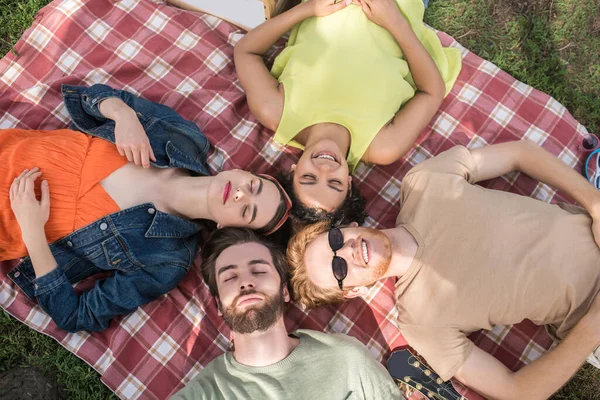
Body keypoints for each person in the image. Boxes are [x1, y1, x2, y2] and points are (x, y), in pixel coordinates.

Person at [287, 139, 600, 399]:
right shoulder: (421, 324)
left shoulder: (423, 182)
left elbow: (520, 153)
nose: (347, 250)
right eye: (339, 266)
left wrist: (595, 203)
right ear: (353, 291)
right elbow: (516, 391)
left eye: (336, 238)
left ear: (349, 226)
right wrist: (591, 328)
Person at [2, 84, 292, 332]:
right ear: (242, 172)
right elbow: (93, 96)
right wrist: (122, 113)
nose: (241, 194)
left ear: (228, 228)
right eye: (253, 186)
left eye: (247, 211)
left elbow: (76, 315)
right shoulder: (184, 138)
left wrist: (33, 233)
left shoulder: (166, 260)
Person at [234, 0, 462, 225]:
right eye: (335, 183)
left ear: (293, 171)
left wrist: (308, 9)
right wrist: (396, 23)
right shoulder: (382, 145)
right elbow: (431, 92)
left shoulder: (275, 110)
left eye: (309, 178)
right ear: (349, 183)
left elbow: (246, 51)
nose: (325, 169)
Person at [170, 227, 402, 400]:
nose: (246, 282)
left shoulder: (346, 359)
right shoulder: (205, 394)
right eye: (230, 277)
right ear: (219, 305)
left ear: (285, 291)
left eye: (259, 270)